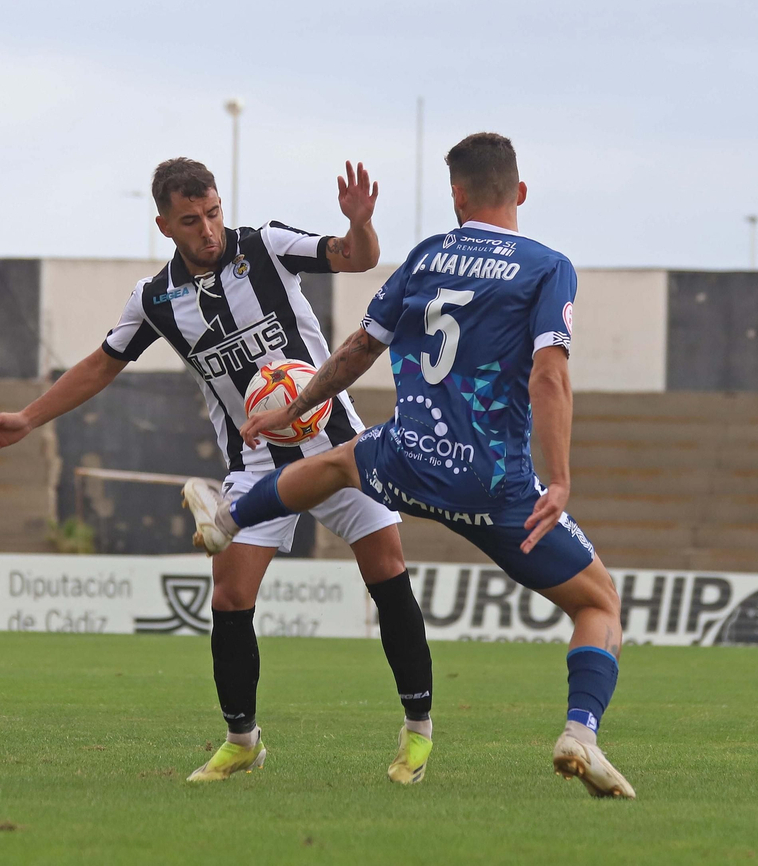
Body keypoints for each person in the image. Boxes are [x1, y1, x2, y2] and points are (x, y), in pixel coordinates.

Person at [0, 158, 436, 784]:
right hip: (256, 461)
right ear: (165, 225)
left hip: (337, 446)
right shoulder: (154, 298)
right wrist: (28, 417)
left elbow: (354, 257)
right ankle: (242, 741)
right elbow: (102, 364)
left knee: (387, 572)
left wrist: (360, 222)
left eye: (213, 213)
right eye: (191, 221)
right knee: (230, 595)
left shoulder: (265, 246)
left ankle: (417, 733)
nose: (208, 230)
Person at [211, 132, 634, 799]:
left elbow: (356, 351)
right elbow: (548, 376)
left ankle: (228, 515)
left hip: (411, 457)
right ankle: (580, 731)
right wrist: (559, 479)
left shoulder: (429, 254)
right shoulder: (548, 266)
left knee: (341, 460)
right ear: (519, 192)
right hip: (496, 488)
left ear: (457, 195)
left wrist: (289, 408)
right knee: (599, 603)